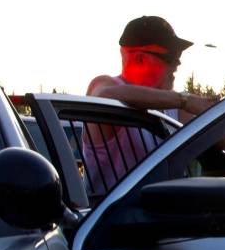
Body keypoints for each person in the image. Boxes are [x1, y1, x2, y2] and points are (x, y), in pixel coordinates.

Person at [84, 16, 215, 192]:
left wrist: (210, 111)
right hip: (113, 209)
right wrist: (184, 100)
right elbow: (104, 96)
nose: (178, 64)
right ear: (139, 59)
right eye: (170, 57)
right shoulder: (105, 85)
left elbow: (216, 142)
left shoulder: (174, 105)